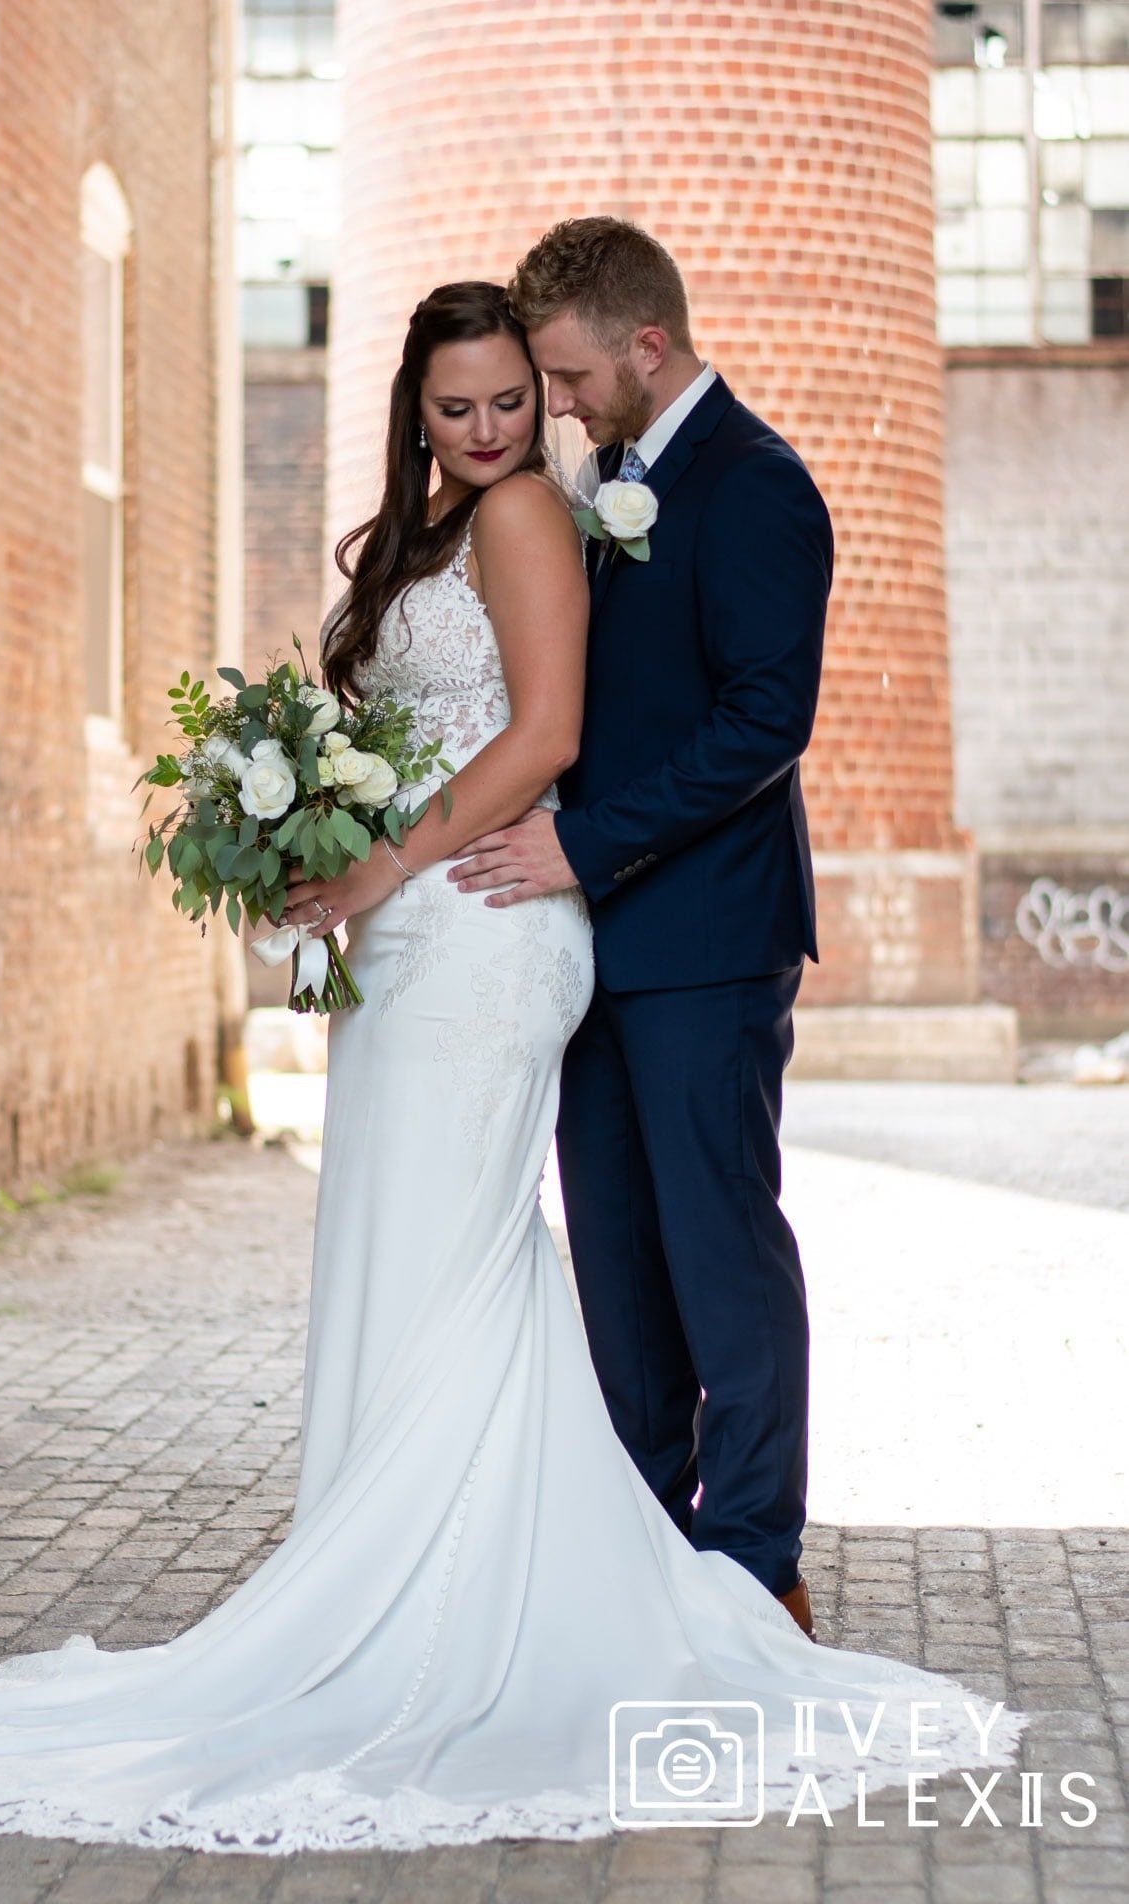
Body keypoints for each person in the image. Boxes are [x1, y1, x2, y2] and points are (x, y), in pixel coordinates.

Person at [0, 282, 1021, 1855]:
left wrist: (378, 868)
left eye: (521, 397)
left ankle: (668, 1567)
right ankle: (425, 1556)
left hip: (492, 923)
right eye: (465, 405)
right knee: (431, 1248)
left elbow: (557, 732)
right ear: (411, 410)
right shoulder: (429, 536)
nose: (501, 426)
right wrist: (314, 830)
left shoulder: (545, 520)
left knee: (512, 1249)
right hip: (436, 922)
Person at [449, 216, 827, 1638]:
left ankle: (749, 1558)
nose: (552, 406)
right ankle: (645, 1540)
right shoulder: (603, 483)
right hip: (589, 943)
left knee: (719, 1251)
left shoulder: (753, 486)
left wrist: (583, 843)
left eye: (563, 376)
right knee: (614, 1251)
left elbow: (761, 725)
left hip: (708, 944)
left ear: (643, 345)